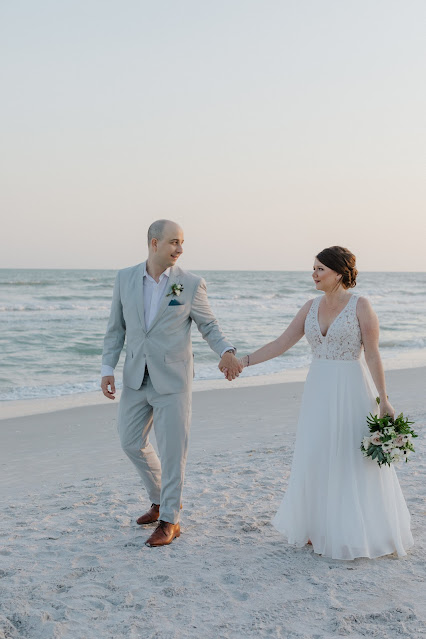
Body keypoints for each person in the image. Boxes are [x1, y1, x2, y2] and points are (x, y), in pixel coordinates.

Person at [227, 246, 413, 560]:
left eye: (320, 270)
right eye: (313, 269)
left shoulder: (361, 306)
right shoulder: (310, 306)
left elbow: (372, 354)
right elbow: (281, 343)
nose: (313, 275)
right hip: (319, 389)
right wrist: (243, 361)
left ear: (339, 273)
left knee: (349, 457)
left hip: (352, 388)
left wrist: (384, 400)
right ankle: (318, 527)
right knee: (316, 454)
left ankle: (356, 530)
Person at [101, 219, 242, 547]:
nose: (180, 249)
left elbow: (209, 325)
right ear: (154, 243)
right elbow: (115, 329)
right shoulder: (125, 279)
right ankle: (160, 499)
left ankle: (169, 520)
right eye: (174, 242)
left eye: (182, 243)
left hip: (174, 379)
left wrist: (227, 352)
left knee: (173, 449)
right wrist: (107, 368)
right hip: (136, 375)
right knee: (129, 440)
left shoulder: (188, 284)